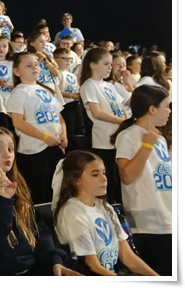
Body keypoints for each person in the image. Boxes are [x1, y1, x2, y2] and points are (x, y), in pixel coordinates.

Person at [0, 127, 81, 276]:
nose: (6, 153)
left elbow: (39, 229)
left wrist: (54, 261)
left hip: (34, 267)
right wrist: (3, 201)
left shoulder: (19, 185)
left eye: (10, 149)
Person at [52, 150, 159, 276]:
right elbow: (91, 265)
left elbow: (127, 256)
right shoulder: (72, 212)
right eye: (95, 174)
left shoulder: (104, 206)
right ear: (76, 180)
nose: (104, 179)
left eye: (104, 173)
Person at [111, 85, 172, 276]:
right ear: (152, 109)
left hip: (169, 216)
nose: (169, 111)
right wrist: (146, 146)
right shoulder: (127, 136)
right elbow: (127, 176)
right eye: (166, 106)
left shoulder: (160, 138)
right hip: (149, 223)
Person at [6, 52, 67, 204]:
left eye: (36, 64)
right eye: (28, 65)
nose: (34, 67)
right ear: (17, 71)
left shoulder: (46, 90)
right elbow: (18, 122)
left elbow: (60, 117)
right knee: (38, 193)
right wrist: (45, 137)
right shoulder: (19, 92)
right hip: (34, 150)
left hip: (55, 146)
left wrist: (64, 135)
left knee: (56, 190)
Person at [79, 48, 127, 204]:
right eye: (106, 64)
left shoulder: (109, 86)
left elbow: (121, 108)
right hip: (103, 140)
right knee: (109, 179)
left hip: (118, 138)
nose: (110, 68)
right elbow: (97, 112)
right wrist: (122, 122)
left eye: (110, 64)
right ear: (93, 65)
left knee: (119, 178)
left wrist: (128, 121)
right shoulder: (89, 85)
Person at [53, 48, 84, 136]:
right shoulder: (57, 74)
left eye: (69, 59)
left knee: (79, 127)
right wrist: (71, 95)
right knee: (70, 128)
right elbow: (56, 91)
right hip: (65, 105)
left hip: (76, 104)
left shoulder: (72, 75)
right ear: (55, 59)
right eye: (64, 58)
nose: (68, 61)